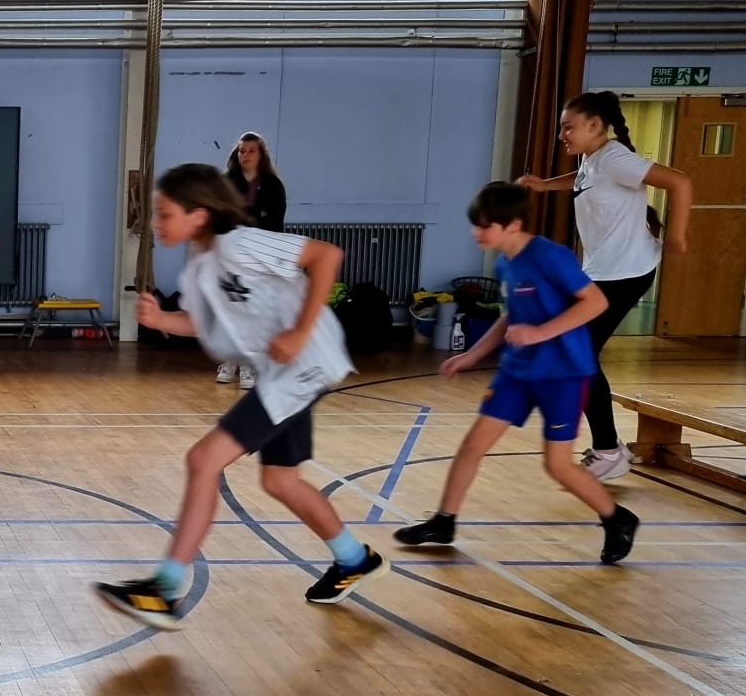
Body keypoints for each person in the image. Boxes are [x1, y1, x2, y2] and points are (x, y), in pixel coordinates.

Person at [95, 164, 384, 629]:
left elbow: (327, 256)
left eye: (165, 213)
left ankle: (164, 589)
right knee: (280, 480)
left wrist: (298, 331)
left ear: (199, 215)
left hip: (302, 365)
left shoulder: (243, 243)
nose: (156, 223)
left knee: (203, 460)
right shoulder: (200, 271)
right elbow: (206, 327)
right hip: (281, 372)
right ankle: (354, 559)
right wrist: (162, 322)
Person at [394, 182, 640, 564]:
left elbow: (595, 302)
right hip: (518, 371)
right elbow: (513, 315)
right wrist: (472, 355)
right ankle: (444, 521)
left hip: (563, 374)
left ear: (512, 225)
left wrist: (540, 332)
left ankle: (616, 518)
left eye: (485, 225)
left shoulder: (550, 256)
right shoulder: (507, 262)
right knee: (472, 446)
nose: (478, 232)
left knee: (556, 466)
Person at [518, 91, 691, 482]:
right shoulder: (591, 159)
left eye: (568, 127)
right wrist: (545, 186)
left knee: (577, 355)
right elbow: (583, 181)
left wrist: (677, 237)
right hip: (603, 272)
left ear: (594, 126)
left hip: (626, 272)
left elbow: (680, 182)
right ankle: (607, 448)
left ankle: (609, 451)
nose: (563, 134)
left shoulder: (614, 158)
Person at [218, 131, 288, 389]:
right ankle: (229, 360)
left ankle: (249, 364)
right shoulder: (228, 183)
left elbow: (273, 222)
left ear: (261, 155)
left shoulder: (272, 186)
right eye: (241, 151)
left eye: (250, 151)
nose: (245, 155)